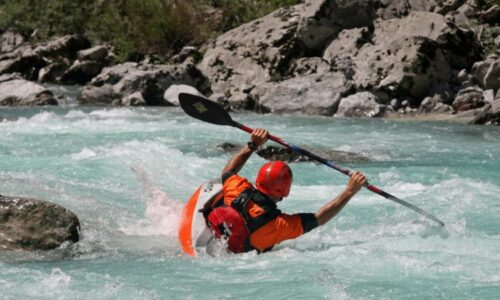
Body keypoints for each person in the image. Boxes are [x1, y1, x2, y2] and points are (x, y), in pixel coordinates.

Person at [202, 128, 367, 253]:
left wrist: (253, 144)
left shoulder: (237, 188)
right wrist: (349, 192)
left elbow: (228, 171)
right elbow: (319, 218)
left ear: (258, 180)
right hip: (237, 257)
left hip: (214, 234)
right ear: (285, 191)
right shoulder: (280, 225)